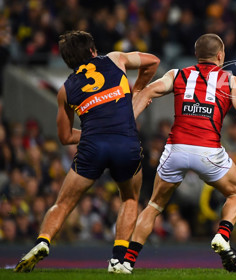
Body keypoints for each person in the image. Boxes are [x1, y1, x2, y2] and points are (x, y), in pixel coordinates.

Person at [113, 34, 236, 273]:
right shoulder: (231, 81)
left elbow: (147, 92)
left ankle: (126, 261)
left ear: (197, 54)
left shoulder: (177, 74)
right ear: (220, 56)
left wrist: (124, 128)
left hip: (175, 149)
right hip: (208, 151)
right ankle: (223, 233)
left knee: (155, 205)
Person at [14, 30, 160, 272]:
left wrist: (95, 132)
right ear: (93, 51)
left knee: (63, 203)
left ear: (68, 61)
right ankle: (118, 259)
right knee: (130, 198)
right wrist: (135, 92)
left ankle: (43, 241)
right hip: (125, 143)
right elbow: (153, 62)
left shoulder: (65, 90)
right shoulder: (115, 59)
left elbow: (65, 137)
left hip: (93, 146)